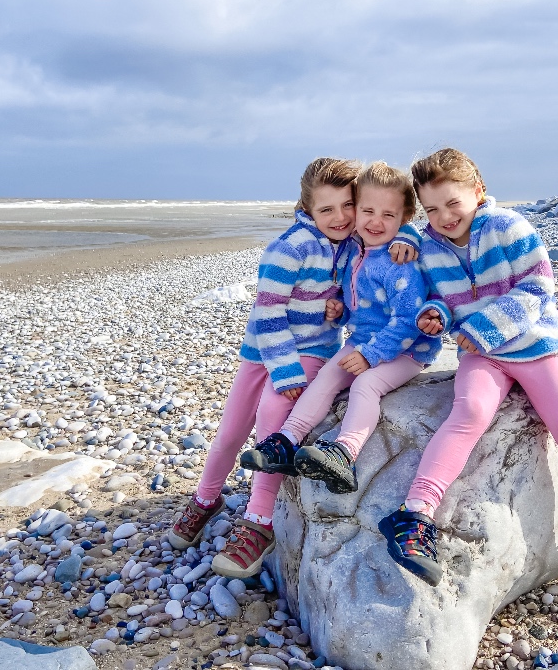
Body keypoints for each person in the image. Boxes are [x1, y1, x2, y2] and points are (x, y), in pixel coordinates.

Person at [378, 148, 558, 608]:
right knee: (469, 412)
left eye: (453, 204)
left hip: (533, 344)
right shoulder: (427, 245)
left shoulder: (509, 226)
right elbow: (441, 300)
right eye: (431, 209)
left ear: (478, 192)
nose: (444, 216)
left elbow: (538, 286)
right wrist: (434, 314)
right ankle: (414, 516)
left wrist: (483, 329)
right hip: (480, 357)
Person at [168, 157, 419, 580]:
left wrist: (407, 235)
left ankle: (258, 521)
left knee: (272, 415)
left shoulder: (354, 243)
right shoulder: (289, 249)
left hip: (316, 350)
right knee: (230, 431)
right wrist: (284, 372)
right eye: (326, 210)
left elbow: (392, 226)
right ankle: (206, 498)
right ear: (307, 210)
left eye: (347, 206)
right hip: (264, 350)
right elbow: (268, 317)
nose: (340, 218)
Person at [241, 161, 441, 496]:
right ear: (357, 209)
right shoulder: (357, 251)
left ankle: (344, 453)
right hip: (363, 341)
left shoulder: (399, 264)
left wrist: (371, 355)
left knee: (366, 385)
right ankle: (286, 441)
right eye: (367, 211)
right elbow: (363, 303)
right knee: (326, 378)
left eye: (389, 216)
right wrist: (342, 309)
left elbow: (407, 320)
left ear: (404, 218)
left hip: (405, 349)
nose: (375, 222)